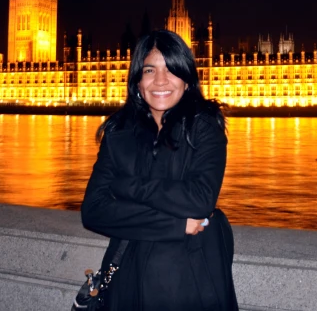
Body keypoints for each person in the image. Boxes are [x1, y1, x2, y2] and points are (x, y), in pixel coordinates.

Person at [81, 29, 238, 310]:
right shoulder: (118, 133)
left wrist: (126, 186)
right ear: (137, 81)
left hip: (189, 279)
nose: (160, 81)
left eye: (171, 70)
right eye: (150, 70)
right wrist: (176, 224)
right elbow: (93, 210)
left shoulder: (203, 127)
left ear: (187, 79)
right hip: (128, 275)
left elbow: (200, 200)